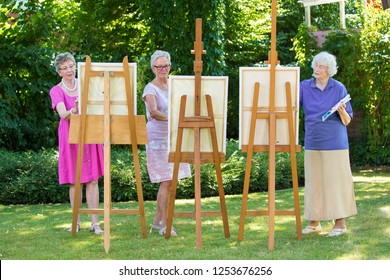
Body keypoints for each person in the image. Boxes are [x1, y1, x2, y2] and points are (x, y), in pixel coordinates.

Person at [299, 51, 357, 237]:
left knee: (336, 183)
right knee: (314, 183)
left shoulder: (338, 88)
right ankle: (314, 222)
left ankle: (340, 223)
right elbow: (291, 107)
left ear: (329, 70)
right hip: (313, 141)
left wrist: (341, 111)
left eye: (321, 66)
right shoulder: (304, 87)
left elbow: (347, 120)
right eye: (315, 65)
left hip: (336, 143)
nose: (317, 69)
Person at [50, 52, 104, 234]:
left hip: (90, 134)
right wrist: (76, 108)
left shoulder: (85, 84)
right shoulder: (56, 90)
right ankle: (76, 222)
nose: (69, 70)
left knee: (93, 180)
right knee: (75, 181)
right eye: (64, 68)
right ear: (59, 72)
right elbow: (63, 114)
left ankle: (95, 223)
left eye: (71, 66)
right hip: (71, 137)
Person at [142, 50, 191, 236]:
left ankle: (157, 221)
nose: (163, 69)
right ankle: (165, 224)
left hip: (175, 136)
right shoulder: (150, 89)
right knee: (167, 181)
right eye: (159, 66)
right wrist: (175, 119)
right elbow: (153, 112)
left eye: (166, 65)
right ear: (153, 68)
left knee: (172, 181)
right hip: (158, 138)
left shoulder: (175, 85)